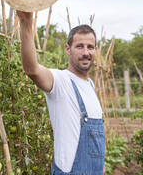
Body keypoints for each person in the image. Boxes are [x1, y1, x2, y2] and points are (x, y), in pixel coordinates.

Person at [17, 11, 105, 175]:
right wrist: (26, 22)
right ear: (68, 49)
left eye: (90, 47)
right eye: (79, 46)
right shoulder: (60, 80)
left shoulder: (90, 85)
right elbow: (32, 69)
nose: (86, 52)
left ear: (95, 50)